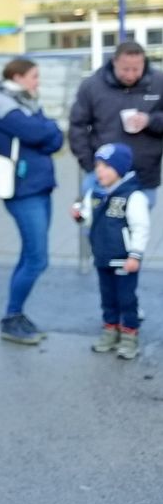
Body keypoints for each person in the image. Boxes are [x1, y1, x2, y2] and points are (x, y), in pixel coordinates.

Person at [0, 58, 64, 345]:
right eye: (34, 76)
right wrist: (48, 129)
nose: (37, 82)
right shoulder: (1, 104)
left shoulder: (27, 101)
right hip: (22, 191)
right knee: (37, 259)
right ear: (17, 77)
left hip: (40, 186)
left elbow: (55, 140)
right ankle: (11, 317)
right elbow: (40, 133)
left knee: (29, 255)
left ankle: (15, 316)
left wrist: (48, 130)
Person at [72, 143, 148, 360]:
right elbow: (87, 218)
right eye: (97, 165)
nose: (99, 170)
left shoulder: (133, 197)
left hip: (124, 260)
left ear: (121, 169)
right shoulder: (94, 193)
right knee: (107, 298)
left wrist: (135, 255)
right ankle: (110, 330)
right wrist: (79, 216)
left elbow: (140, 228)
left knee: (126, 299)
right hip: (102, 257)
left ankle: (129, 336)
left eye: (106, 166)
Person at [69, 40, 163, 207]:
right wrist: (90, 165)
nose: (130, 75)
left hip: (144, 175)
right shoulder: (92, 85)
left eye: (136, 69)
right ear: (114, 62)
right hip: (102, 176)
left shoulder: (158, 83)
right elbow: (77, 126)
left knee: (137, 229)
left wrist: (150, 120)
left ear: (144, 63)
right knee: (97, 228)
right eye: (125, 69)